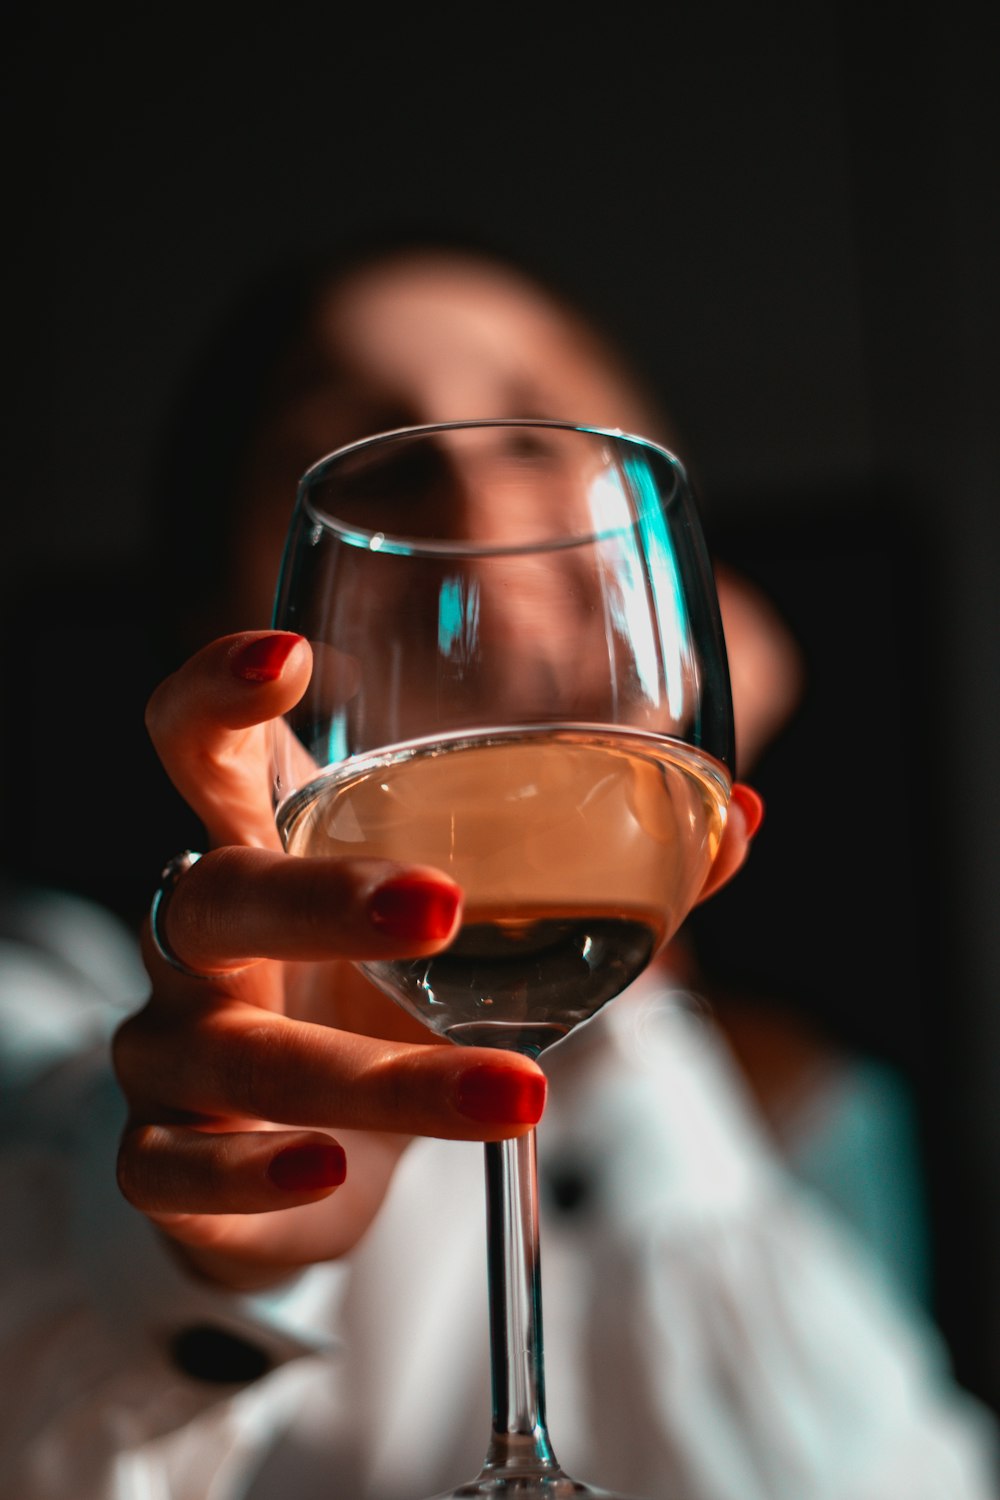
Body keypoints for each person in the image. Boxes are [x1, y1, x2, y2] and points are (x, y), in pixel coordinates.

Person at [1, 230, 996, 1500]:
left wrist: (640, 820)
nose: (472, 498)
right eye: (380, 456)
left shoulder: (805, 1106)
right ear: (226, 612)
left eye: (533, 432)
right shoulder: (46, 987)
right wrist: (192, 1268)